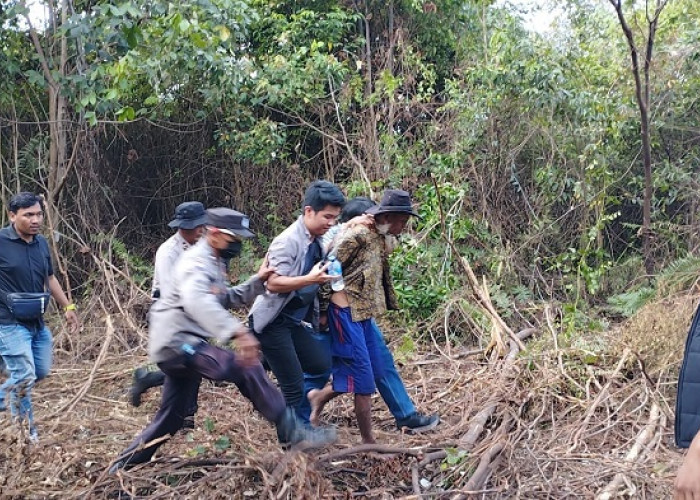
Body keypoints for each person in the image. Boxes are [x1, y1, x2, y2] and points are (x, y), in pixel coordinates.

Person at [110, 207, 335, 473]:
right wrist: (238, 332)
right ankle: (290, 427)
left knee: (171, 418)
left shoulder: (213, 259)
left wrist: (257, 282)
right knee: (244, 365)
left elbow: (223, 298)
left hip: (183, 342)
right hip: (178, 343)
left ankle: (122, 466)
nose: (237, 245)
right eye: (234, 239)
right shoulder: (196, 262)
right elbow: (198, 301)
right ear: (214, 234)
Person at [307, 190, 439, 441]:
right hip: (345, 312)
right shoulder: (357, 235)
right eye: (402, 220)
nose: (405, 226)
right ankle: (368, 442)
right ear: (388, 216)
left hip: (363, 314)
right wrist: (323, 310)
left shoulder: (379, 236)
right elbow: (329, 267)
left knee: (376, 364)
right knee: (363, 380)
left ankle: (318, 397)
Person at [249, 181, 344, 416]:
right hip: (272, 322)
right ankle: (295, 440)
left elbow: (338, 236)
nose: (331, 223)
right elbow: (272, 283)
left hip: (293, 321)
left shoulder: (315, 238)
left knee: (319, 364)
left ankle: (262, 365)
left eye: (335, 218)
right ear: (308, 211)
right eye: (327, 217)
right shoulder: (288, 241)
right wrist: (310, 280)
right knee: (293, 386)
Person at [0, 192, 80, 442]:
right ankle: (26, 434)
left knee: (40, 371)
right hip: (8, 323)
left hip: (37, 323)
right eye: (28, 215)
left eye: (38, 214)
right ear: (13, 216)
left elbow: (50, 278)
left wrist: (68, 307)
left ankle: (10, 395)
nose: (35, 220)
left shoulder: (41, 243)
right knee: (24, 376)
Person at [129, 202, 208, 434]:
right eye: (195, 227)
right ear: (182, 227)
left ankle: (186, 418)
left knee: (192, 365)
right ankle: (172, 409)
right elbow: (170, 292)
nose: (200, 231)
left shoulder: (201, 246)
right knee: (186, 364)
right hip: (170, 317)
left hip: (194, 315)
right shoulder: (168, 252)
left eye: (201, 226)